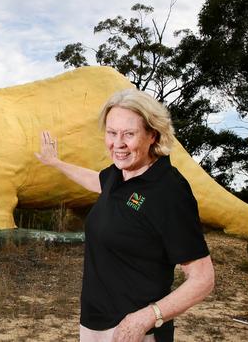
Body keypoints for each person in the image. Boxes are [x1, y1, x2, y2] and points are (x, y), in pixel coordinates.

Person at [35, 88, 215, 342]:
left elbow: (203, 278)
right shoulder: (118, 174)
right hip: (94, 325)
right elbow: (96, 180)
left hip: (137, 332)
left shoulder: (169, 191)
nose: (117, 143)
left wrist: (145, 318)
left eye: (129, 134)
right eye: (111, 133)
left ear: (152, 135)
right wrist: (56, 163)